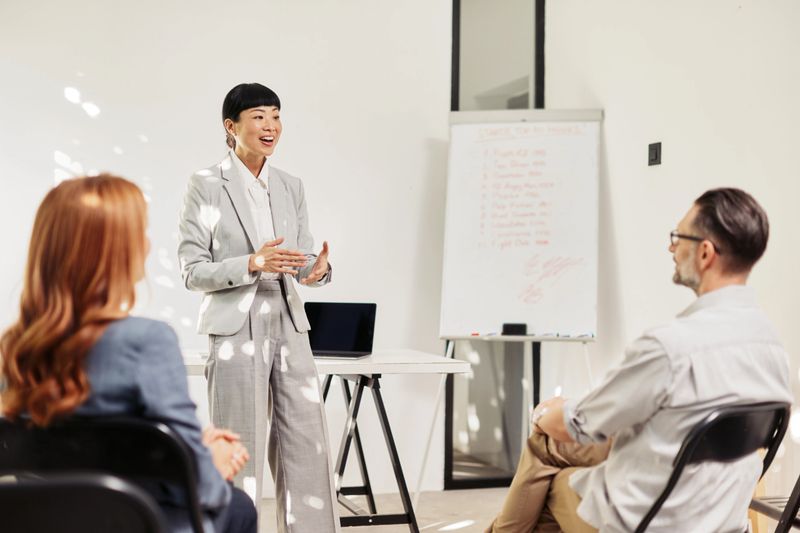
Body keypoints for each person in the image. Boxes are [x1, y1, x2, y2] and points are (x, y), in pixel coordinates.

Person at [487, 188, 792, 532]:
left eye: (678, 237)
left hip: (647, 522)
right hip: (720, 521)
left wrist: (542, 412)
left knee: (552, 473)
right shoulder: (773, 351)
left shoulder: (669, 348)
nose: (671, 248)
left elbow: (576, 425)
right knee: (561, 465)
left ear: (705, 253)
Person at [0, 175, 257, 533]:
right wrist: (212, 463)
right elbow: (204, 492)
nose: (148, 245)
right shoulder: (147, 341)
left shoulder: (14, 350)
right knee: (239, 505)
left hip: (38, 523)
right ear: (114, 251)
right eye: (141, 232)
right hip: (135, 523)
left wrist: (191, 450)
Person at [178, 82, 338, 532]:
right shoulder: (206, 184)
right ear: (231, 127)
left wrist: (316, 270)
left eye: (276, 115)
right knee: (240, 444)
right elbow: (192, 270)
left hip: (288, 318)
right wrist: (252, 262)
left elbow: (301, 258)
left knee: (306, 445)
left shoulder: (291, 185)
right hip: (235, 323)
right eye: (259, 117)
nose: (270, 126)